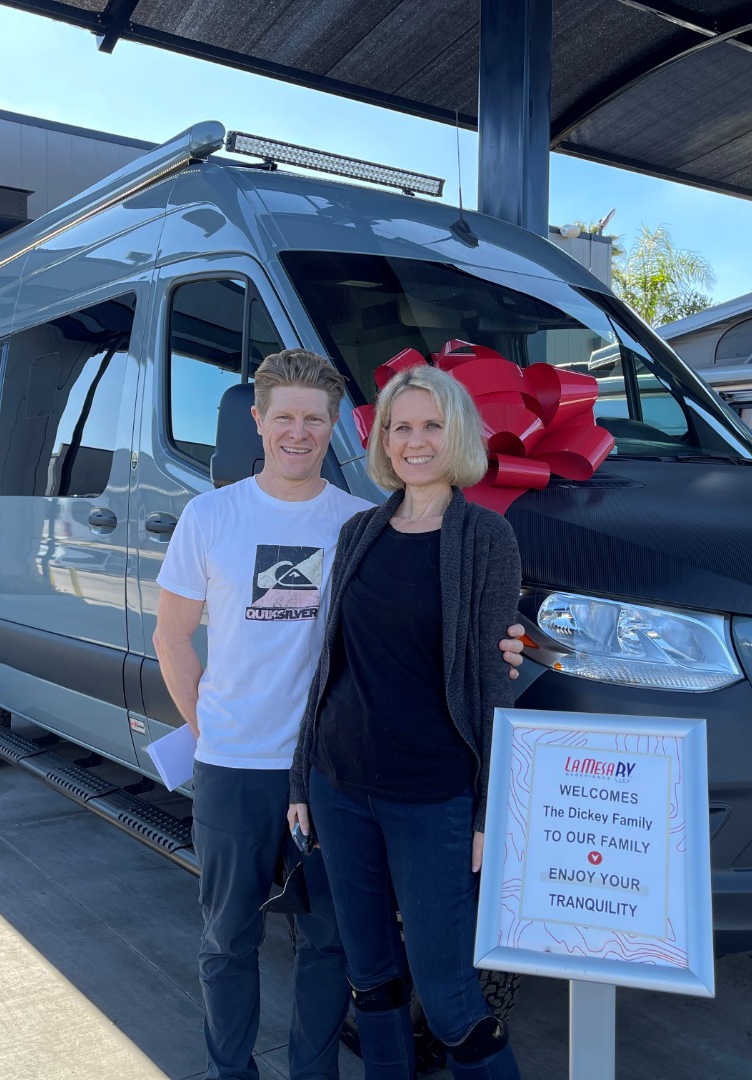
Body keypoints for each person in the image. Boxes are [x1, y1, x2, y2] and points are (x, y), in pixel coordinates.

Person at [153, 349, 526, 1080]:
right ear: (258, 422)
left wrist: (504, 651)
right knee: (230, 940)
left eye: (314, 419)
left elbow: (463, 655)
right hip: (251, 770)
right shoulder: (219, 516)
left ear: (336, 431)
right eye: (284, 417)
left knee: (343, 953)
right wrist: (210, 733)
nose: (299, 432)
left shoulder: (361, 523)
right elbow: (173, 635)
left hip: (351, 778)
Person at [289, 363, 522, 1080]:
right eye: (400, 427)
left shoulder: (485, 539)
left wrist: (489, 810)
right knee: (372, 979)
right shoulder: (360, 532)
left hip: (434, 799)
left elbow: (491, 680)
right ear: (383, 441)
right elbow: (331, 663)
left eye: (430, 425)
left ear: (455, 436)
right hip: (340, 784)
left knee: (451, 1000)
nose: (413, 441)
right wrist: (303, 778)